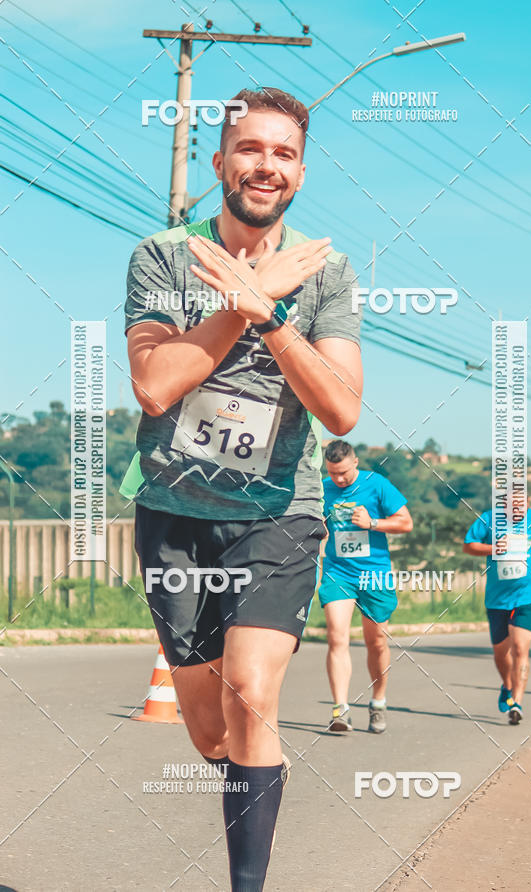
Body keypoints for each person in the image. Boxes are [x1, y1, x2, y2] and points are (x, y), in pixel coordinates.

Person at [121, 87, 362, 891]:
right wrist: (240, 299)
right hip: (175, 516)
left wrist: (272, 317)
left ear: (300, 173)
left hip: (278, 517)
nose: (267, 166)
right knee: (211, 731)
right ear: (220, 162)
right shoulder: (162, 256)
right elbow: (155, 387)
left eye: (284, 154)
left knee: (254, 698)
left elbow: (340, 406)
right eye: (251, 150)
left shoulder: (324, 274)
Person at [317, 440, 413, 734]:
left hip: (375, 575)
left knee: (377, 642)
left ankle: (378, 701)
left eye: (344, 472)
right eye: (334, 473)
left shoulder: (377, 484)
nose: (340, 479)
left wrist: (372, 523)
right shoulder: (323, 489)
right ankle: (340, 710)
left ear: (356, 462)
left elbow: (405, 523)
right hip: (338, 573)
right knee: (337, 637)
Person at [463, 500, 531, 724]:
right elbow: (469, 545)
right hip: (497, 599)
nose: (518, 507)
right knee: (500, 654)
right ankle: (507, 686)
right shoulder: (488, 519)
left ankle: (516, 702)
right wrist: (494, 548)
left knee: (520, 648)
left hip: (526, 596)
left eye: (522, 502)